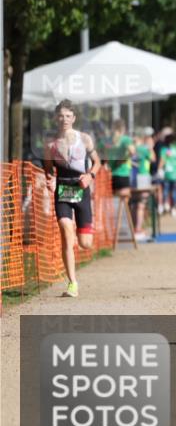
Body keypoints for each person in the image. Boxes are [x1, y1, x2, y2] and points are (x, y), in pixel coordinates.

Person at [43, 100, 102, 298]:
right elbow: (48, 169)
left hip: (81, 190)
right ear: (55, 118)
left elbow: (97, 162)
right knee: (66, 233)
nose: (64, 119)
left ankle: (82, 236)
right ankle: (72, 284)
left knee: (85, 243)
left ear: (74, 118)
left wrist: (90, 176)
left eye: (68, 116)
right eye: (61, 116)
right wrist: (50, 179)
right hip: (63, 191)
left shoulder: (84, 139)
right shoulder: (50, 144)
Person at [158, 134, 176, 216]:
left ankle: (166, 203)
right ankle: (173, 208)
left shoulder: (164, 150)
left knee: (165, 189)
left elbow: (162, 160)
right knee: (174, 191)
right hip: (175, 174)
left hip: (167, 174)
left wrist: (159, 169)